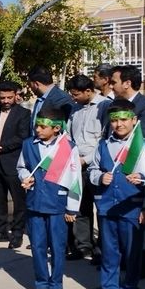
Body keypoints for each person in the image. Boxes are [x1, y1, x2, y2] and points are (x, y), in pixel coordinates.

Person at [89, 99, 145, 289]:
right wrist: (100, 178)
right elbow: (91, 170)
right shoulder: (103, 145)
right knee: (109, 251)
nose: (119, 125)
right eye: (114, 120)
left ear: (134, 120)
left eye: (124, 120)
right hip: (107, 207)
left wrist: (144, 177)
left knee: (132, 252)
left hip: (133, 208)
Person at [17, 106, 81, 289]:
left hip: (57, 204)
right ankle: (42, 283)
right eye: (37, 125)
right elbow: (21, 166)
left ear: (55, 128)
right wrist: (25, 176)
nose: (38, 129)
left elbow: (75, 178)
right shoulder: (28, 144)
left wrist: (72, 207)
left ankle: (56, 285)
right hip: (35, 203)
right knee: (37, 246)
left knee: (57, 246)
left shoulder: (67, 147)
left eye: (43, 126)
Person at [0, 81, 30, 248]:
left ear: (15, 96)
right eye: (3, 98)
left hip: (13, 163)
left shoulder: (23, 113)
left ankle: (17, 233)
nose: (6, 101)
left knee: (18, 201)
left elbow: (23, 136)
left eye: (9, 97)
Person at [66, 74, 109, 261]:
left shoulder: (104, 106)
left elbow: (104, 139)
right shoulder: (75, 110)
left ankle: (101, 249)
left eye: (76, 94)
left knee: (100, 208)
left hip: (97, 166)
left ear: (89, 91)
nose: (73, 98)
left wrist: (87, 159)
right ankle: (84, 246)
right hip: (77, 166)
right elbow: (68, 135)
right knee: (81, 206)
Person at [108, 65, 145, 144]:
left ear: (127, 83)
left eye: (113, 83)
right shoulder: (113, 104)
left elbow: (143, 137)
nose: (110, 86)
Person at [27, 66, 75, 135]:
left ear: (36, 84)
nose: (30, 88)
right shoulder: (40, 98)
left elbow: (65, 127)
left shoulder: (62, 99)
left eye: (30, 84)